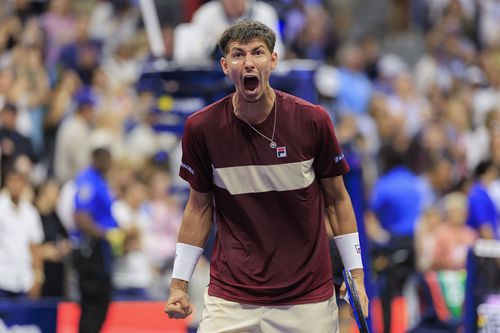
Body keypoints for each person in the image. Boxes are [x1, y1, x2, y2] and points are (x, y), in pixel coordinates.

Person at [164, 20, 368, 332]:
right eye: (237, 55)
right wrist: (179, 286)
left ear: (273, 60)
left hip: (307, 300)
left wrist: (356, 277)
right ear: (224, 66)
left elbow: (337, 201)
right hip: (230, 299)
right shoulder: (201, 128)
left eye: (258, 53)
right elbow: (198, 208)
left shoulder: (313, 121)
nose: (248, 62)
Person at [71, 146, 124, 333]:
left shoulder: (100, 181)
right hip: (91, 251)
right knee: (92, 304)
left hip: (102, 251)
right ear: (98, 159)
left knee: (101, 302)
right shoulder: (87, 181)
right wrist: (105, 233)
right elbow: (81, 216)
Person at [0, 168, 44, 299]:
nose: (15, 185)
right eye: (12, 181)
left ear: (24, 184)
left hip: (24, 280)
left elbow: (35, 247)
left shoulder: (31, 213)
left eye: (18, 181)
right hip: (2, 279)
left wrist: (38, 278)